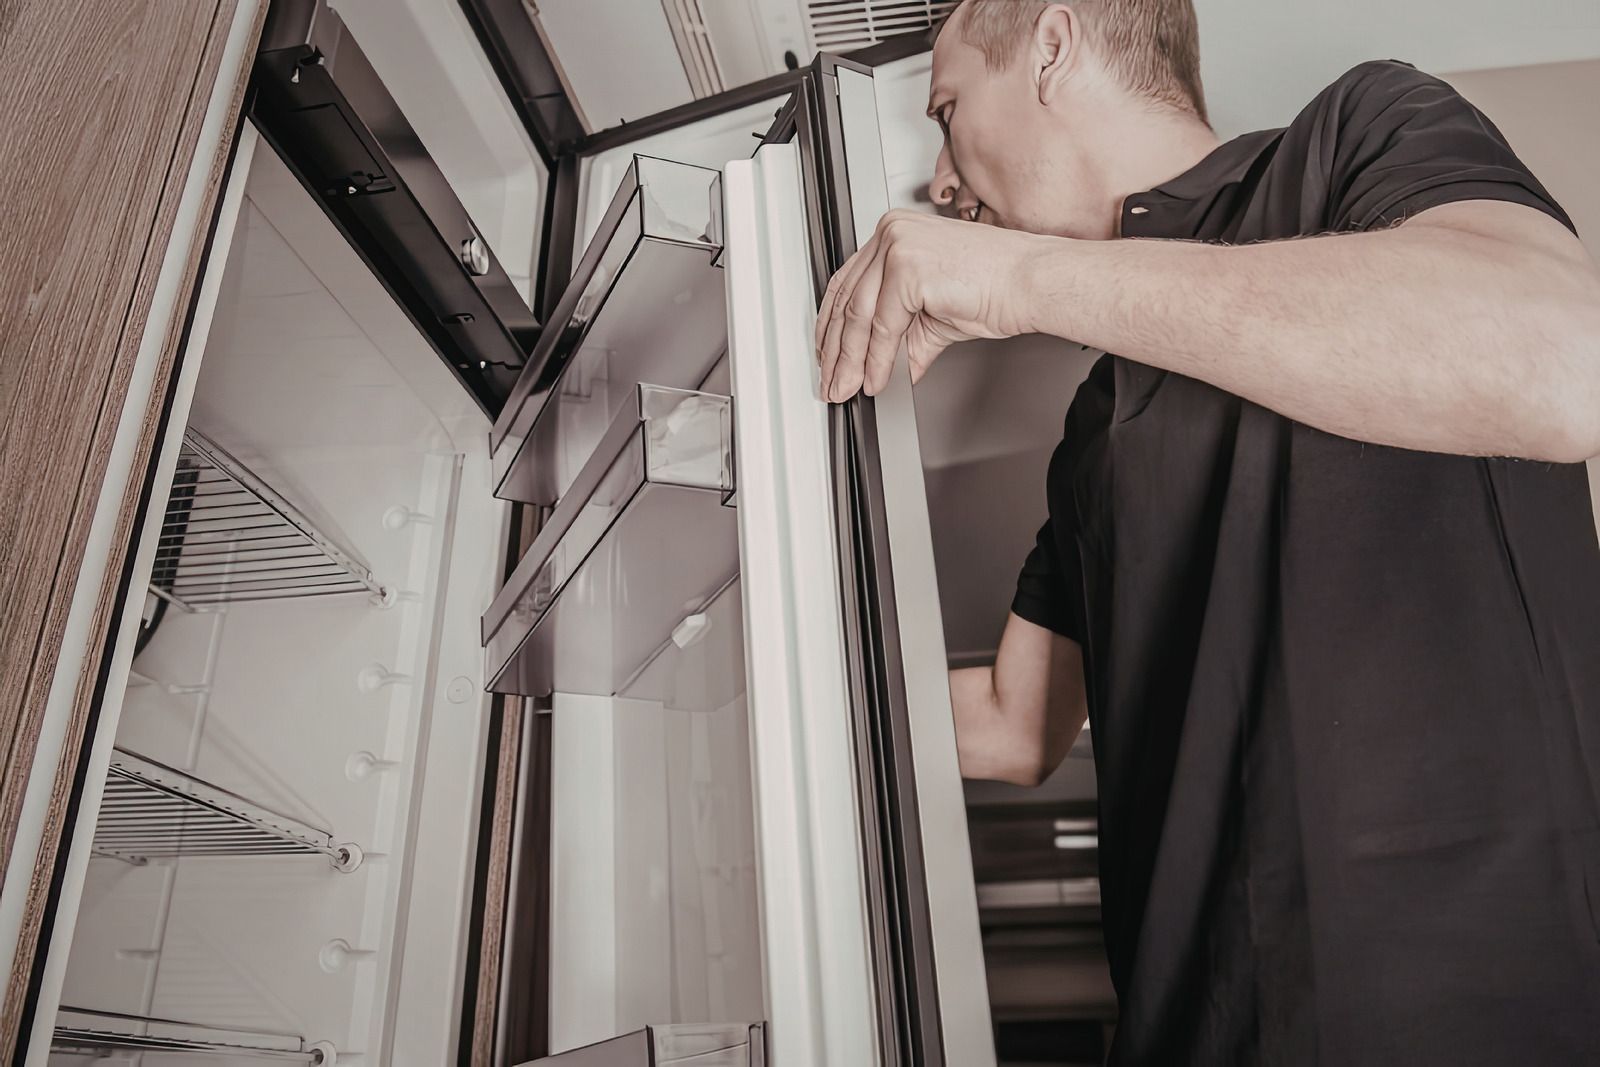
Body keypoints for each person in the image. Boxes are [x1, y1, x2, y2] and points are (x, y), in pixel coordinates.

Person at [813, 1, 1600, 1063]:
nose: (944, 183)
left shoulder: (1357, 134)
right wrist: (763, 662)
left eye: (946, 111)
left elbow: (1560, 358)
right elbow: (1013, 720)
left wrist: (1016, 278)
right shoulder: (1095, 419)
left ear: (1051, 46)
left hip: (1472, 1010)